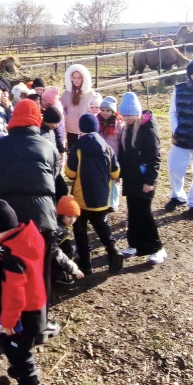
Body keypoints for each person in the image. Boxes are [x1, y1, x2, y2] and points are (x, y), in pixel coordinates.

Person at [0, 98, 61, 342]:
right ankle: (40, 324)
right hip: (42, 219)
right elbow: (54, 179)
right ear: (37, 120)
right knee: (40, 272)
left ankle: (2, 318)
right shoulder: (48, 146)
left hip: (8, 221)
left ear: (14, 119)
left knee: (8, 268)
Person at [0, 199, 47, 385]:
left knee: (19, 350)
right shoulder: (30, 235)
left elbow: (14, 294)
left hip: (23, 313)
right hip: (38, 304)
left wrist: (8, 322)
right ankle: (19, 369)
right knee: (24, 346)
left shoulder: (13, 259)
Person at [65, 114, 123, 275]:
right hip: (101, 196)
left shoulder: (77, 148)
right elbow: (115, 172)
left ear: (81, 128)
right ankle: (113, 251)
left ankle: (85, 264)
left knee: (80, 231)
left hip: (80, 197)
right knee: (101, 226)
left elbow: (70, 173)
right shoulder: (107, 147)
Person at [117, 92, 167, 265]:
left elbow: (154, 157)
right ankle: (135, 244)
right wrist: (120, 174)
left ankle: (157, 247)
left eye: (129, 115)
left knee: (144, 213)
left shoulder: (148, 129)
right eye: (123, 116)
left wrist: (149, 181)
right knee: (133, 211)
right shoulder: (127, 128)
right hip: (131, 178)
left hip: (144, 178)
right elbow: (124, 154)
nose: (126, 119)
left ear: (137, 113)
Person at [165, 57, 193, 219]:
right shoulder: (179, 89)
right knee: (175, 169)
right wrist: (176, 129)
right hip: (182, 137)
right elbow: (173, 112)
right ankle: (177, 195)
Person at [61, 64, 100, 148]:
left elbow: (97, 109)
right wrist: (65, 116)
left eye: (79, 78)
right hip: (70, 129)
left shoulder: (91, 93)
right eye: (74, 78)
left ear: (83, 78)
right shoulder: (67, 93)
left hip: (85, 130)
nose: (76, 80)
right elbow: (60, 107)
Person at [51, 195, 85, 285]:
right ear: (61, 215)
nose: (73, 220)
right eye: (69, 216)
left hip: (63, 259)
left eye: (75, 217)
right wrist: (70, 266)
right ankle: (56, 275)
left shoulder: (66, 226)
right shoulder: (57, 230)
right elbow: (54, 252)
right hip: (54, 262)